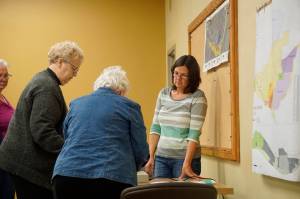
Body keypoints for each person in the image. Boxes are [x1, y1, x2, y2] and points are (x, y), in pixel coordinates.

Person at [0, 41, 84, 199]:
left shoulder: (44, 80)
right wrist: (69, 151)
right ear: (60, 61)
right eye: (74, 69)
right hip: (25, 165)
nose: (75, 75)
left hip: (19, 161)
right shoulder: (47, 87)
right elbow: (42, 131)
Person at [52, 66, 149, 199]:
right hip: (111, 178)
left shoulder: (76, 104)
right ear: (120, 91)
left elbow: (67, 136)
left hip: (66, 176)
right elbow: (140, 149)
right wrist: (135, 166)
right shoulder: (129, 106)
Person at [144, 55, 207, 179]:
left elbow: (194, 134)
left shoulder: (197, 97)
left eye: (184, 75)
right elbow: (156, 128)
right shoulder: (163, 94)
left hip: (184, 159)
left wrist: (187, 163)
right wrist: (151, 156)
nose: (178, 78)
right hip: (161, 157)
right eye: (176, 73)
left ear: (192, 77)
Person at [0, 59, 15, 199]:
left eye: (6, 76)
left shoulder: (3, 97)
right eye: (0, 75)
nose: (3, 79)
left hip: (6, 160)